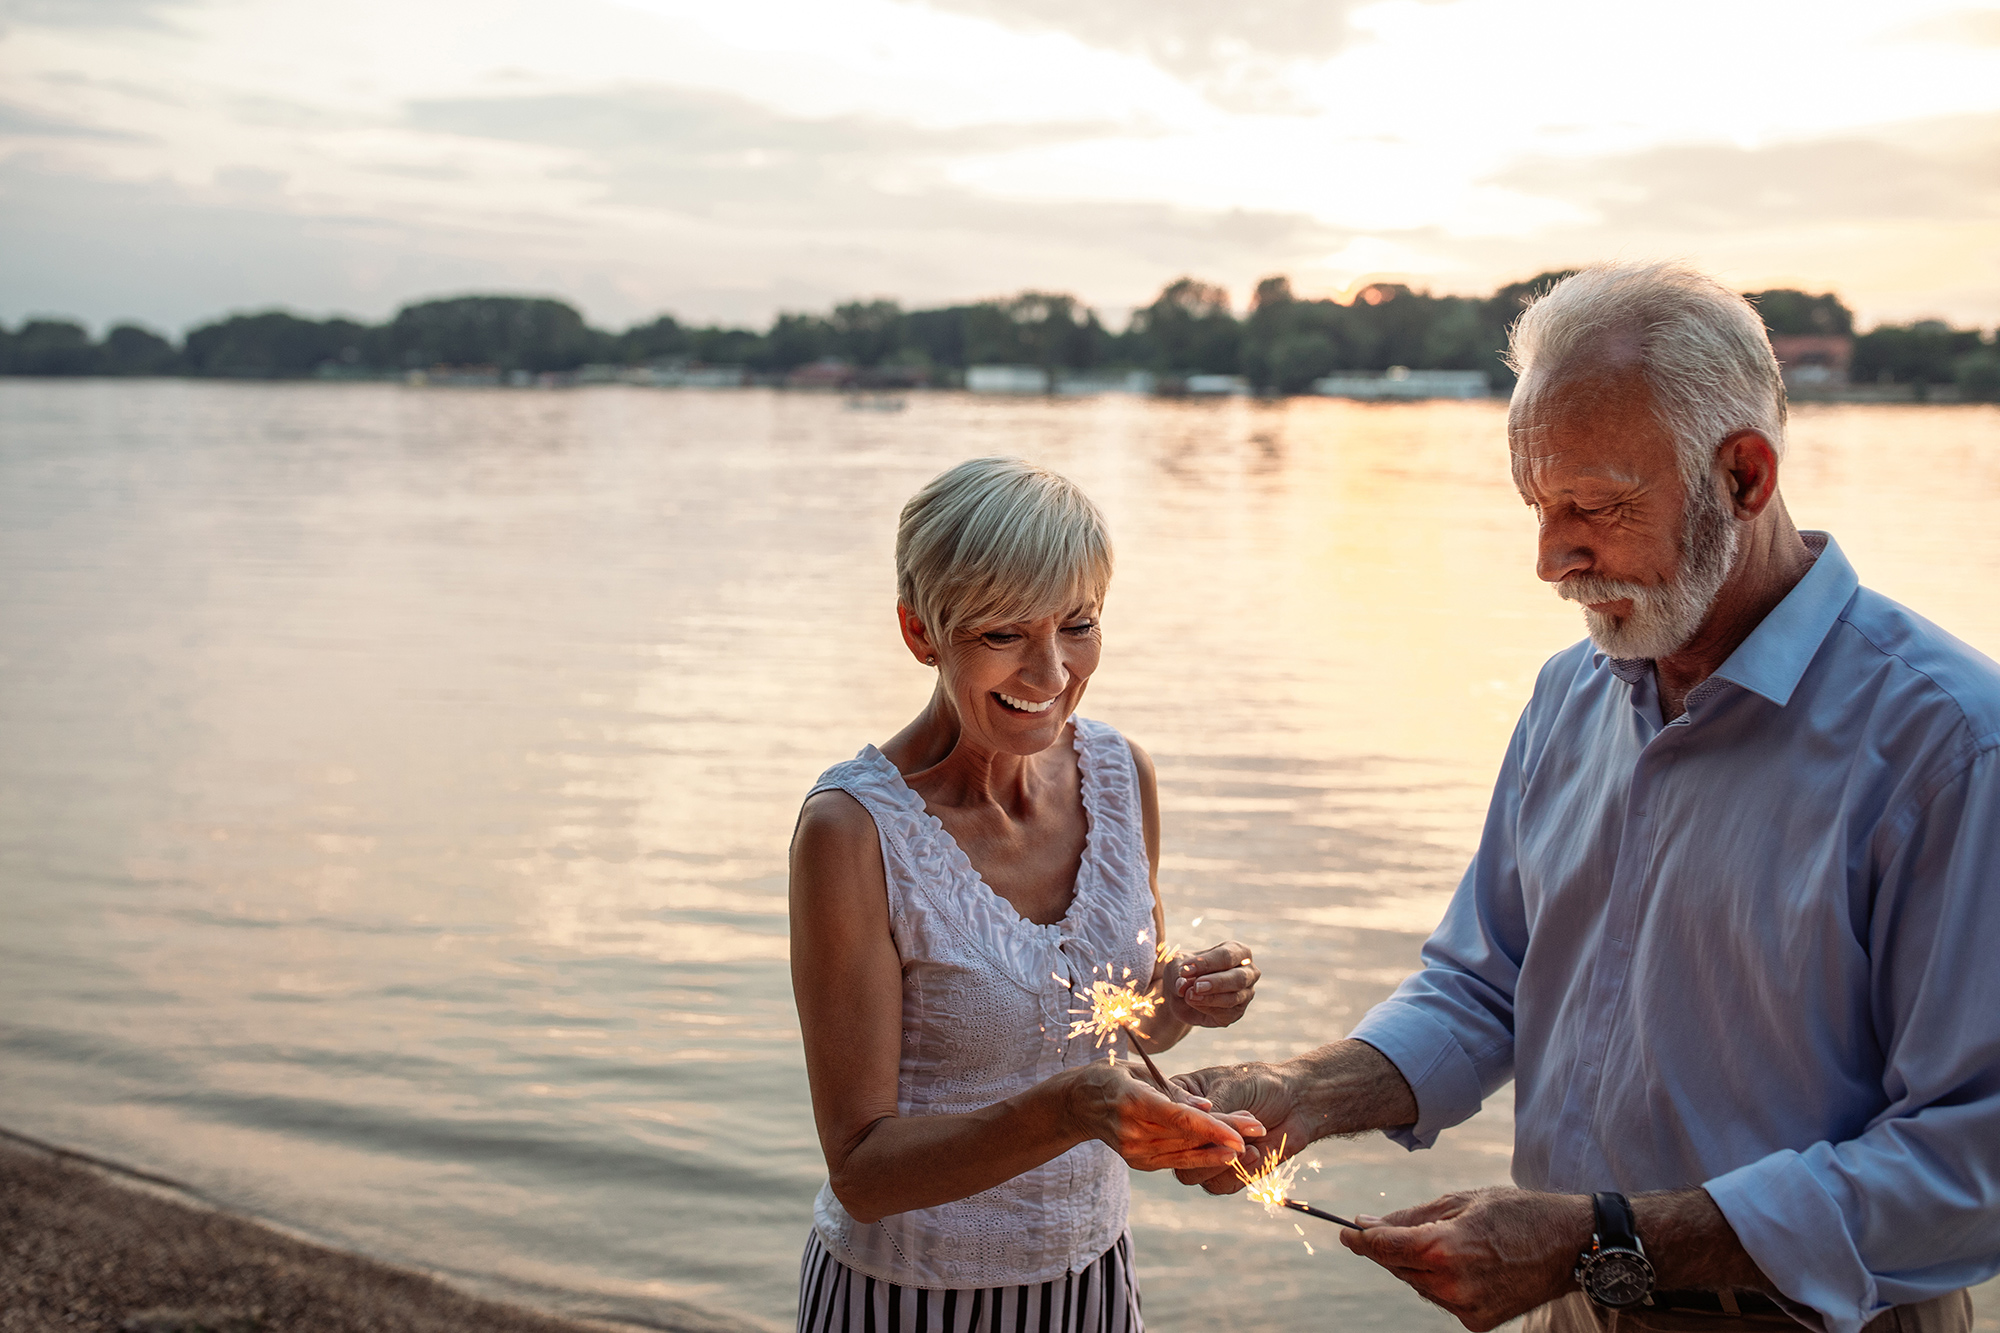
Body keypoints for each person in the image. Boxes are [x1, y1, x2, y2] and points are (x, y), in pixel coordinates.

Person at [1173, 262, 2000, 1333]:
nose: (1548, 556)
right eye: (1536, 504)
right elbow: (1485, 986)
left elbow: (1972, 1158)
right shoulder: (1571, 692)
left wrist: (1601, 1236)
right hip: (1568, 1306)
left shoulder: (1949, 745)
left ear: (1743, 476)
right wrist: (1301, 1090)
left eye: (1594, 507)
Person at [789, 457, 1264, 1333]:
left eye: (1078, 625)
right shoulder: (852, 832)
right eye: (1003, 633)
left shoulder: (1122, 776)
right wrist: (1074, 1108)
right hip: (905, 1298)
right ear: (920, 631)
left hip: (1091, 1279)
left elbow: (1114, 1026)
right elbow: (861, 1170)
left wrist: (1181, 1000)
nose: (1051, 672)